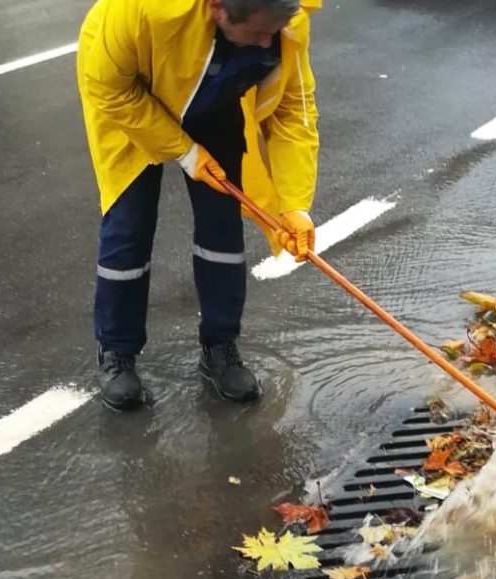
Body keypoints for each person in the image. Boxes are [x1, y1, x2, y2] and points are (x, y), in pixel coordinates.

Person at [76, 0, 321, 410]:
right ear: (217, 8)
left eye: (274, 31)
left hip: (216, 97)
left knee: (221, 224)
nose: (267, 41)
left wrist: (295, 204)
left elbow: (294, 110)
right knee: (129, 224)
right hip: (135, 90)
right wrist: (184, 151)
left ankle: (220, 346)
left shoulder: (286, 19)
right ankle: (117, 353)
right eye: (259, 33)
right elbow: (109, 89)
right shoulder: (139, 11)